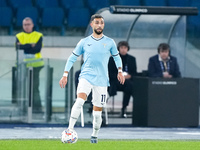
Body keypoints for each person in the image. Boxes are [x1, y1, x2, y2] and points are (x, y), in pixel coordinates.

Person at [59, 14, 125, 143]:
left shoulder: (110, 42)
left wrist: (120, 71)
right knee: (79, 101)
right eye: (97, 22)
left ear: (103, 25)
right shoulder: (84, 42)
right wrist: (65, 74)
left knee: (97, 113)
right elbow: (72, 57)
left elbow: (117, 57)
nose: (99, 25)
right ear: (92, 25)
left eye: (101, 22)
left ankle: (94, 135)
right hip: (86, 77)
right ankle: (69, 130)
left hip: (101, 80)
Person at [16, 17, 44, 112]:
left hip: (36, 66)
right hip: (22, 66)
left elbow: (37, 49)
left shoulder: (38, 35)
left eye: (28, 24)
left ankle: (37, 108)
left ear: (32, 25)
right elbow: (18, 47)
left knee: (34, 87)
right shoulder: (19, 35)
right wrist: (30, 45)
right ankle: (22, 108)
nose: (27, 26)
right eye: (25, 25)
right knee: (21, 87)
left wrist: (24, 46)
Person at [108, 41, 137, 118]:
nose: (123, 50)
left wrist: (129, 76)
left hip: (127, 82)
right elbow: (110, 73)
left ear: (127, 49)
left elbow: (134, 73)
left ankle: (124, 107)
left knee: (130, 86)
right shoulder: (112, 59)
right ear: (118, 49)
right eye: (122, 48)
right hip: (116, 82)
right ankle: (124, 108)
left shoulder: (132, 59)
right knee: (129, 85)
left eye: (125, 48)